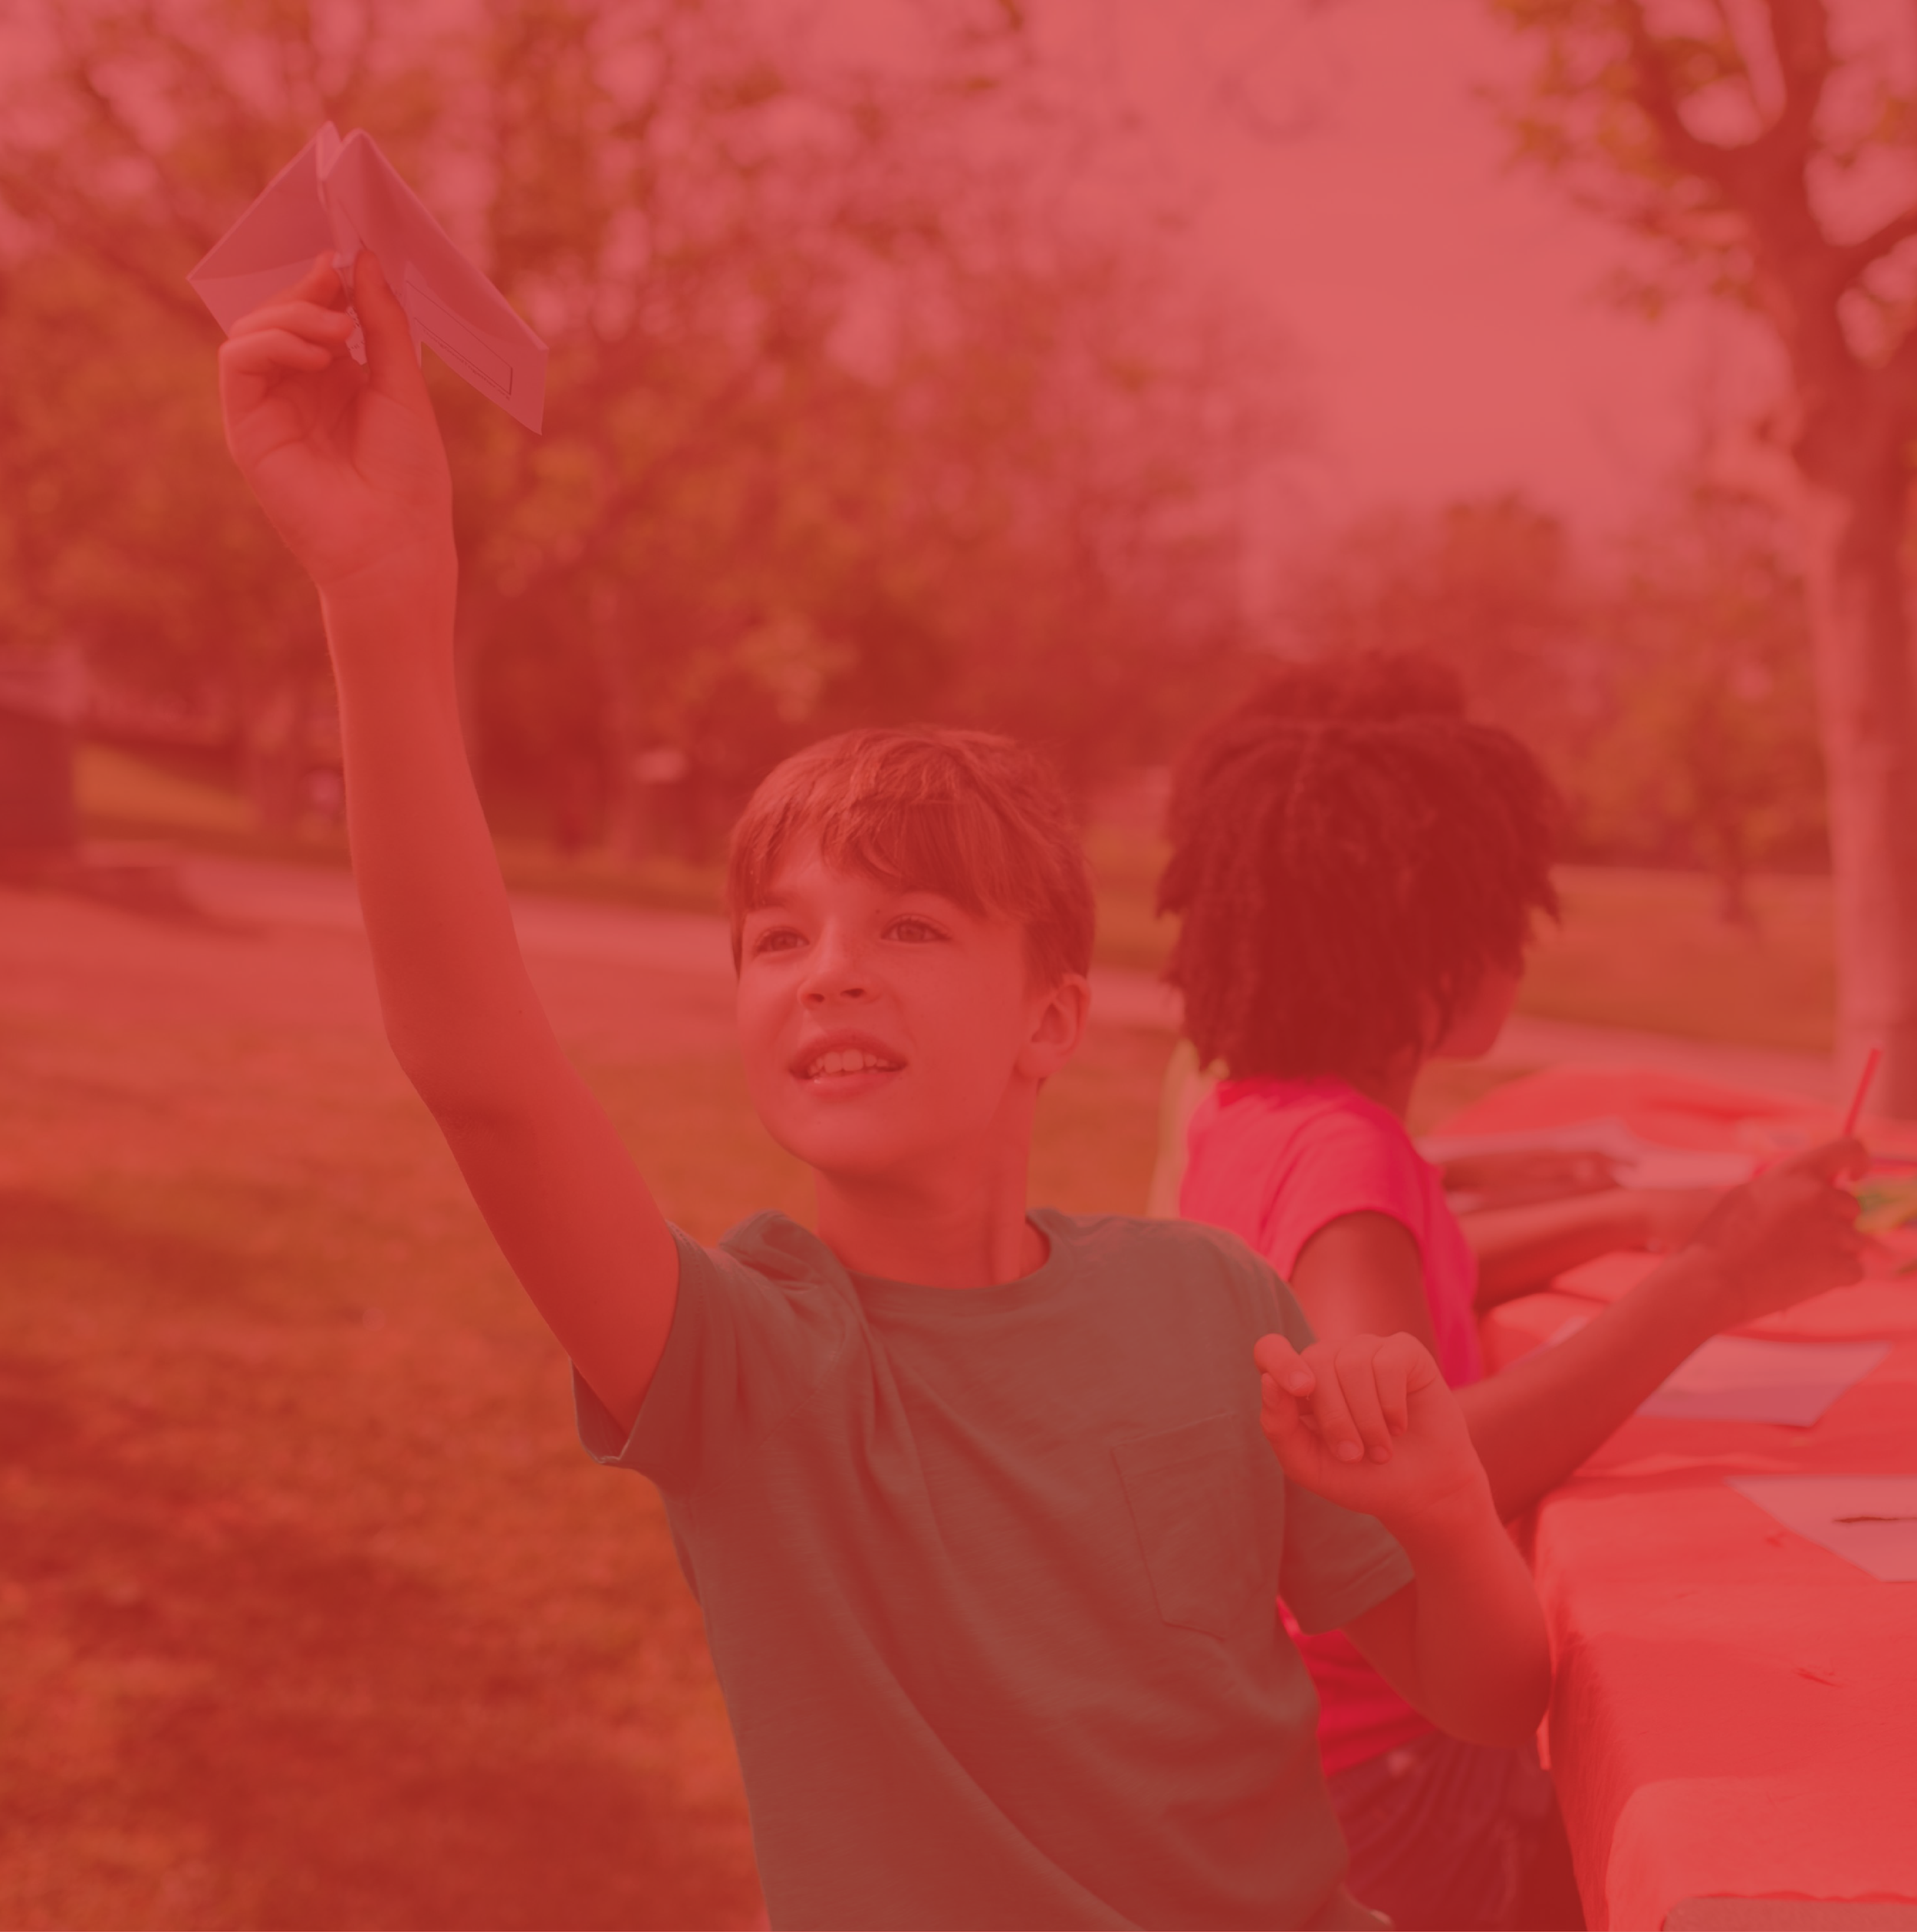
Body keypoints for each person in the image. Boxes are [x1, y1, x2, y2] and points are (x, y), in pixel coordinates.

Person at [213, 253, 1554, 1930]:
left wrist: (1439, 1508)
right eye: (776, 940)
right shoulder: (742, 1364)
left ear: (1048, 1023)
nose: (826, 969)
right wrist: (381, 598)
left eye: (907, 924)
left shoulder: (1212, 1308)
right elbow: (480, 1073)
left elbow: (1490, 1698)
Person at [1153, 653, 1867, 1931]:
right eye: (1505, 915)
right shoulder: (1349, 1157)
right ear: (1433, 951)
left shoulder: (1261, 1117)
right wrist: (1712, 1283)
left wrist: (1639, 1219)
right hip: (1395, 1780)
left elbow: (1414, 1269)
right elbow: (1409, 1449)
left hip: (1298, 1753)